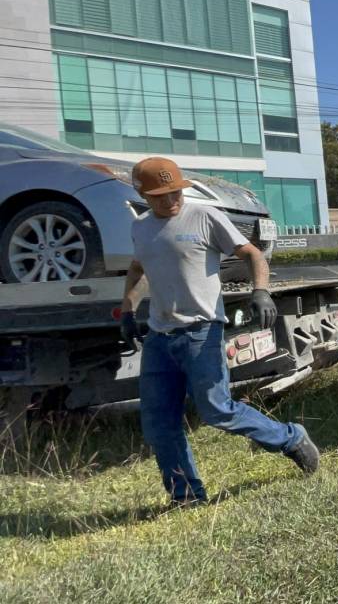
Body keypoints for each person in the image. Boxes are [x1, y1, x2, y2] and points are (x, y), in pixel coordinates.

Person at [120, 157, 319, 506]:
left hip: (201, 333)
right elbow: (139, 269)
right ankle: (187, 497)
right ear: (144, 195)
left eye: (176, 192)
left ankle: (290, 438)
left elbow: (252, 253)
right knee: (159, 423)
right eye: (162, 196)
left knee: (217, 410)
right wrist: (126, 308)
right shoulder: (140, 227)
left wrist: (261, 291)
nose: (172, 200)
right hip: (159, 338)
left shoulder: (204, 216)